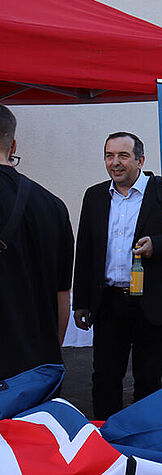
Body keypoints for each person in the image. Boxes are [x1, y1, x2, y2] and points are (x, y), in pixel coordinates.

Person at [73, 132, 162, 420]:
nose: (115, 163)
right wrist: (81, 301)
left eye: (123, 156)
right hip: (109, 303)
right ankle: (106, 443)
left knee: (149, 380)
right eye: (109, 156)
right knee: (104, 378)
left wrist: (158, 245)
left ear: (140, 160)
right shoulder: (95, 196)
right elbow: (86, 250)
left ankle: (144, 445)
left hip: (151, 302)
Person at [0, 104, 74, 381]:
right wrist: (50, 358)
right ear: (13, 144)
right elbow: (61, 295)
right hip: (35, 369)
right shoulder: (52, 205)